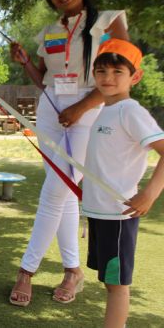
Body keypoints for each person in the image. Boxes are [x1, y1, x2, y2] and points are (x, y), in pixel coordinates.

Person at [8, 0, 130, 306]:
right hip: (49, 109)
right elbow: (41, 78)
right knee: (61, 192)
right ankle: (73, 270)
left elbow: (122, 73)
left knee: (55, 190)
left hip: (87, 109)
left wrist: (81, 107)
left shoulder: (108, 21)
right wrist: (24, 62)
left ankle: (26, 270)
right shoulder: (50, 31)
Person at [83, 39, 164, 328]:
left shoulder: (131, 111)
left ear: (135, 76)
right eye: (101, 71)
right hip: (99, 211)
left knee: (117, 285)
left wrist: (149, 194)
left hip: (118, 215)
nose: (108, 78)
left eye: (118, 72)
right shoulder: (104, 110)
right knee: (109, 281)